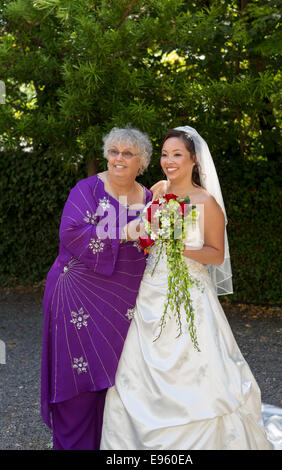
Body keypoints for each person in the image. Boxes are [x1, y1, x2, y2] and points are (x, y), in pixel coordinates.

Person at [100, 126, 274, 450]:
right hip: (150, 292)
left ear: (194, 160)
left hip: (190, 295)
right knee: (135, 370)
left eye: (177, 154)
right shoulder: (156, 189)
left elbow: (216, 254)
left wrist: (178, 245)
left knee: (195, 371)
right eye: (165, 154)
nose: (169, 161)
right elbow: (144, 236)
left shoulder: (206, 202)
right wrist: (143, 237)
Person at [41, 126, 158, 450]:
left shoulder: (150, 198)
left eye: (127, 153)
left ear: (142, 162)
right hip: (77, 295)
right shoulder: (87, 190)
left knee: (116, 383)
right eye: (113, 152)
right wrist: (125, 230)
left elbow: (158, 244)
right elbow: (72, 234)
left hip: (124, 305)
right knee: (78, 381)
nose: (118, 158)